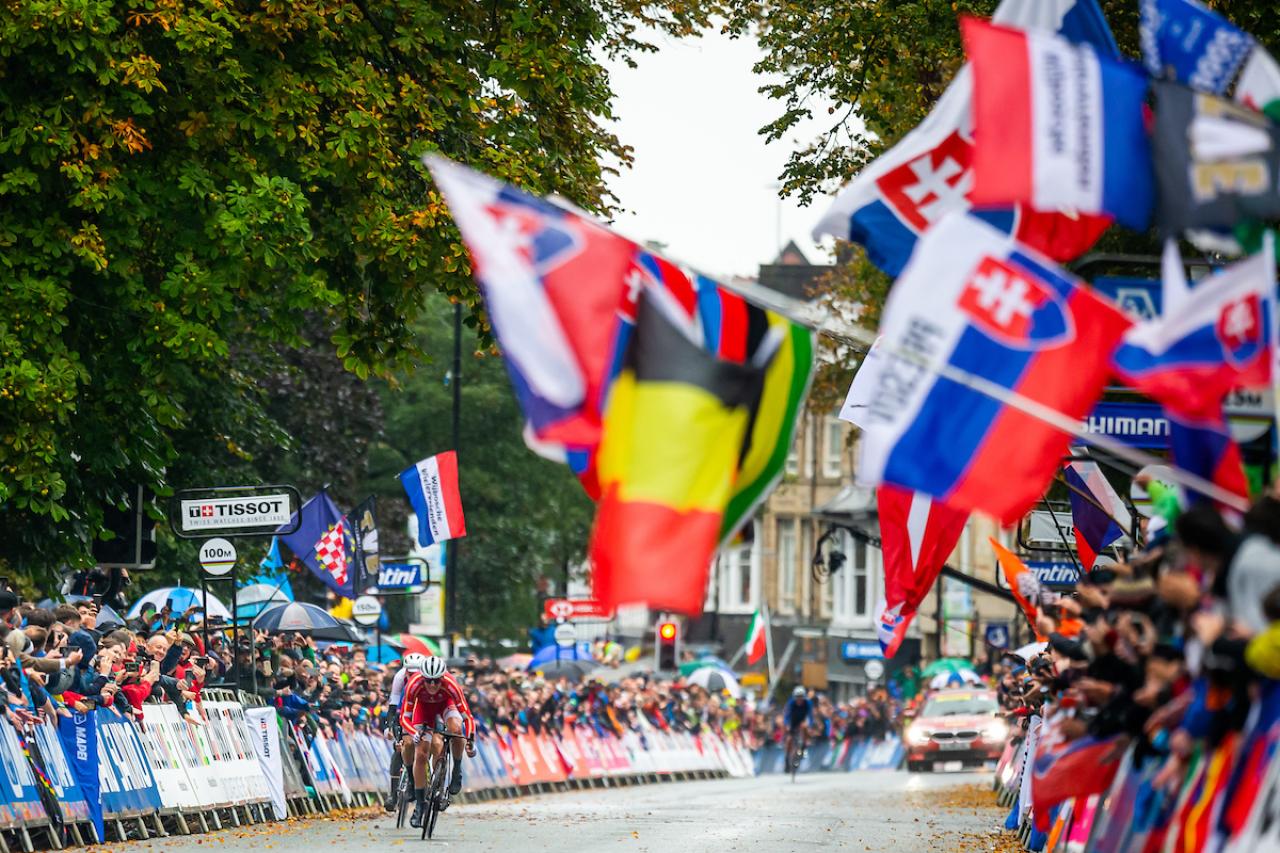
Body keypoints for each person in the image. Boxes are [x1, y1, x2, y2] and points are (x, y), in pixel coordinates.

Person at [402, 656, 475, 827]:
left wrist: (471, 738)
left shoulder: (451, 684)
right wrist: (414, 733)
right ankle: (420, 806)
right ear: (422, 677)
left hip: (446, 705)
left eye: (436, 681)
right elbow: (404, 717)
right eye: (428, 681)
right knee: (420, 755)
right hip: (423, 709)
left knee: (456, 730)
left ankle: (456, 769)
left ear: (443, 677)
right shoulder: (414, 684)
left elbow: (468, 717)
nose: (433, 685)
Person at [382, 652, 427, 811]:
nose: (413, 675)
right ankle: (393, 795)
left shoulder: (429, 679)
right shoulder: (400, 677)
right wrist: (389, 727)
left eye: (416, 673)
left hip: (424, 711)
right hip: (405, 710)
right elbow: (393, 707)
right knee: (399, 747)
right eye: (410, 672)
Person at [782, 686, 813, 765]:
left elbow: (810, 716)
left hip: (802, 721)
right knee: (789, 739)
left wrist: (810, 725)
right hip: (793, 721)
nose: (799, 699)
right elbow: (787, 716)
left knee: (805, 727)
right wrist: (787, 724)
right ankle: (787, 758)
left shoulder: (808, 703)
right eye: (797, 697)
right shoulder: (791, 703)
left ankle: (804, 746)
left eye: (801, 697)